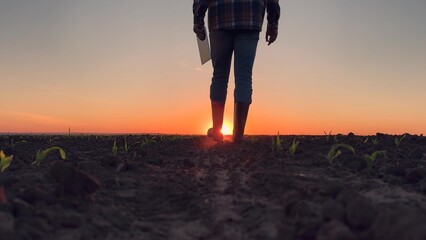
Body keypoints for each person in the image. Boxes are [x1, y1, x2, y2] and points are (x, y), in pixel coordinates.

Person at [193, 0, 280, 143]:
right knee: (244, 78)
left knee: (219, 76)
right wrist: (273, 24)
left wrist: (198, 19)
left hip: (220, 17)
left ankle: (216, 130)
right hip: (250, 17)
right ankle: (238, 134)